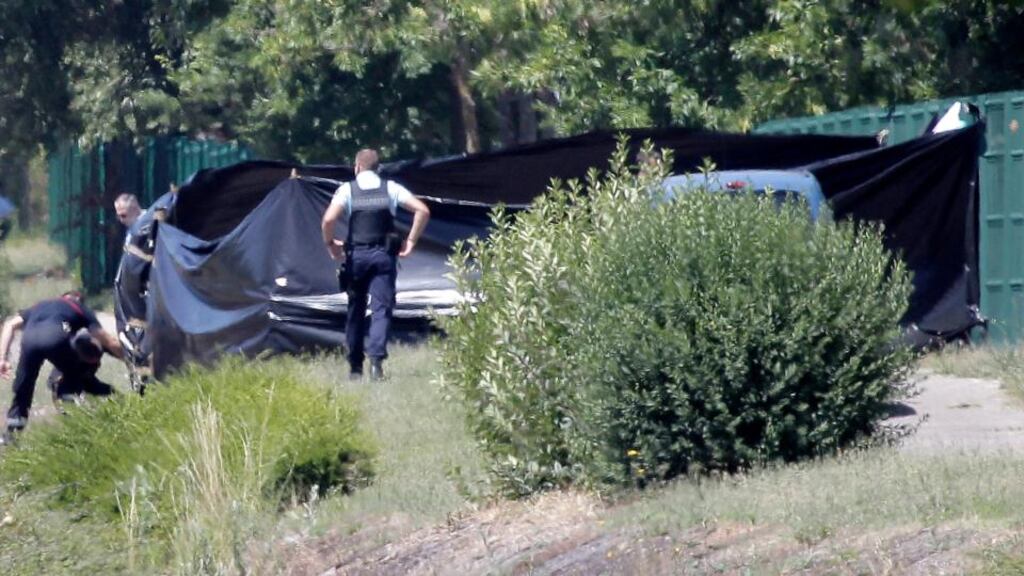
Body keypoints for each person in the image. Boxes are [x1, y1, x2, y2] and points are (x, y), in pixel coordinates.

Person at [321, 149, 430, 381]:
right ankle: (376, 364)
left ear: (357, 167)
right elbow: (422, 210)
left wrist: (331, 244)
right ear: (377, 168)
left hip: (356, 258)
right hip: (383, 257)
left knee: (355, 310)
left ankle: (355, 368)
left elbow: (329, 219)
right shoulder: (390, 188)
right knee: (381, 309)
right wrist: (410, 240)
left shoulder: (347, 190)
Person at [0, 291, 123, 443]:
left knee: (24, 388)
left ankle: (11, 435)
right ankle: (74, 423)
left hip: (29, 340)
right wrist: (130, 359)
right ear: (78, 300)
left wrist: (3, 359)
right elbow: (105, 338)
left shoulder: (39, 305)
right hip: (56, 337)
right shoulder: (79, 308)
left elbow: (9, 325)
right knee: (74, 377)